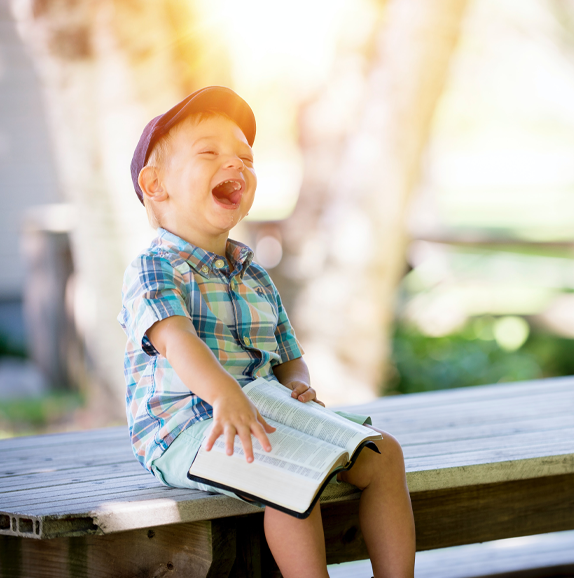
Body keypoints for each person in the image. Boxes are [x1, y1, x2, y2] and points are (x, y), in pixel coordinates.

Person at [118, 86, 416, 578]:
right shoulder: (154, 268)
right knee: (290, 474)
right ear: (155, 184)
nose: (234, 163)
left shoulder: (254, 273)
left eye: (246, 158)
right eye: (209, 152)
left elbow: (287, 354)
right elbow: (178, 341)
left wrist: (297, 383)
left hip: (264, 411)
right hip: (186, 429)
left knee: (384, 454)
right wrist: (226, 395)